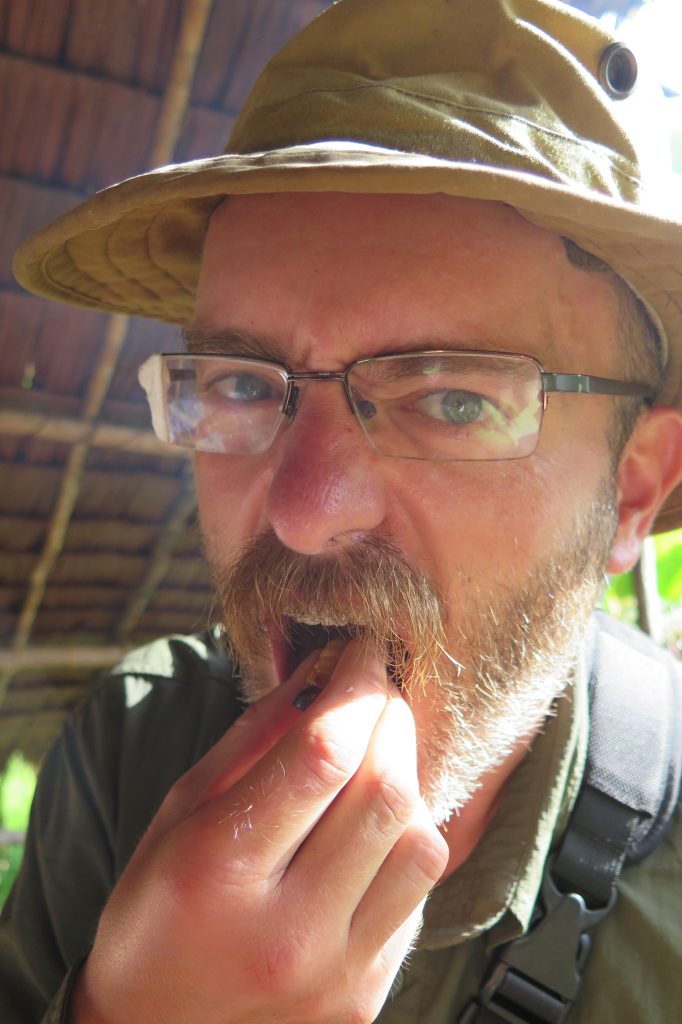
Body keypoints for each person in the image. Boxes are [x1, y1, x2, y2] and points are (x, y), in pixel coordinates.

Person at [3, 0, 682, 1021]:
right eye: (240, 383)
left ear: (632, 487)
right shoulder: (127, 752)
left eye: (452, 399)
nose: (301, 512)